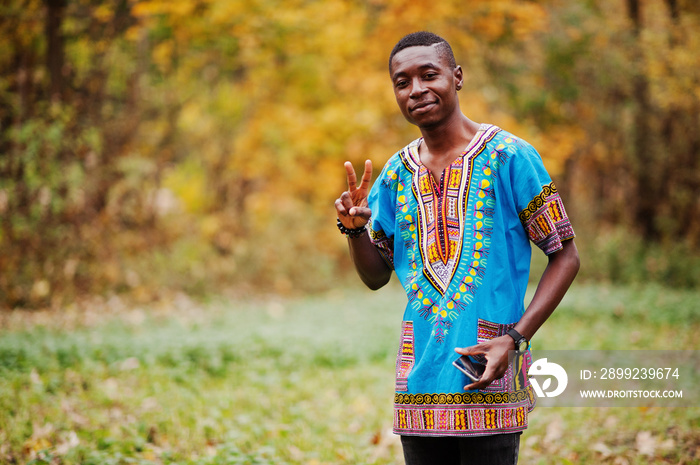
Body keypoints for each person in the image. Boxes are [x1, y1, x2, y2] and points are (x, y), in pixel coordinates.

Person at [334, 31, 580, 464]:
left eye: (429, 75)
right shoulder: (395, 174)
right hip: (419, 387)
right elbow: (375, 277)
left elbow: (566, 255)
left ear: (457, 77)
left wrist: (515, 339)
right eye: (402, 82)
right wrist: (354, 230)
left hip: (487, 374)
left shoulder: (510, 156)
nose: (417, 90)